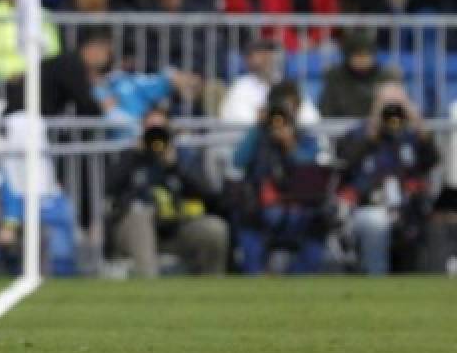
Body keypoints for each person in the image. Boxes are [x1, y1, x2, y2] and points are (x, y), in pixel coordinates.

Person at [108, 109, 227, 277]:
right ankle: (150, 287)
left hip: (173, 228)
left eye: (160, 131)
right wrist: (134, 156)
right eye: (151, 131)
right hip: (133, 230)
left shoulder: (182, 157)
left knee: (214, 230)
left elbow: (209, 194)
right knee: (141, 215)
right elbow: (109, 187)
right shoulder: (130, 156)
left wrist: (175, 166)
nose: (156, 138)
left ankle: (212, 289)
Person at [337, 84, 439, 274]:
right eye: (387, 104)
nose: (392, 111)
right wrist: (373, 128)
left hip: (408, 209)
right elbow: (347, 162)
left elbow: (432, 160)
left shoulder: (410, 135)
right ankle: (377, 278)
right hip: (368, 206)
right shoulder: (360, 133)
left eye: (398, 104)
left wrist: (418, 123)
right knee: (376, 221)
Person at [233, 83, 331, 275]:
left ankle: (302, 280)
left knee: (320, 221)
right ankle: (254, 279)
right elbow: (238, 161)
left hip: (301, 208)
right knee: (246, 219)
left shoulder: (306, 138)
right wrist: (257, 127)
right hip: (262, 209)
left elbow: (311, 169)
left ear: (298, 109)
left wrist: (290, 145)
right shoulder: (259, 136)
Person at [219, 39, 321, 126]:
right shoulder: (241, 86)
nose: (268, 57)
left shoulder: (287, 85)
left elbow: (311, 118)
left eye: (270, 52)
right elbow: (243, 121)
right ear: (248, 60)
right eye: (261, 53)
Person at [319, 31, 397, 119]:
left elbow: (397, 112)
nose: (363, 60)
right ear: (348, 56)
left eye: (367, 55)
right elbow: (326, 109)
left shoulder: (387, 76)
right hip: (341, 128)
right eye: (358, 55)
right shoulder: (334, 76)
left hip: (378, 129)